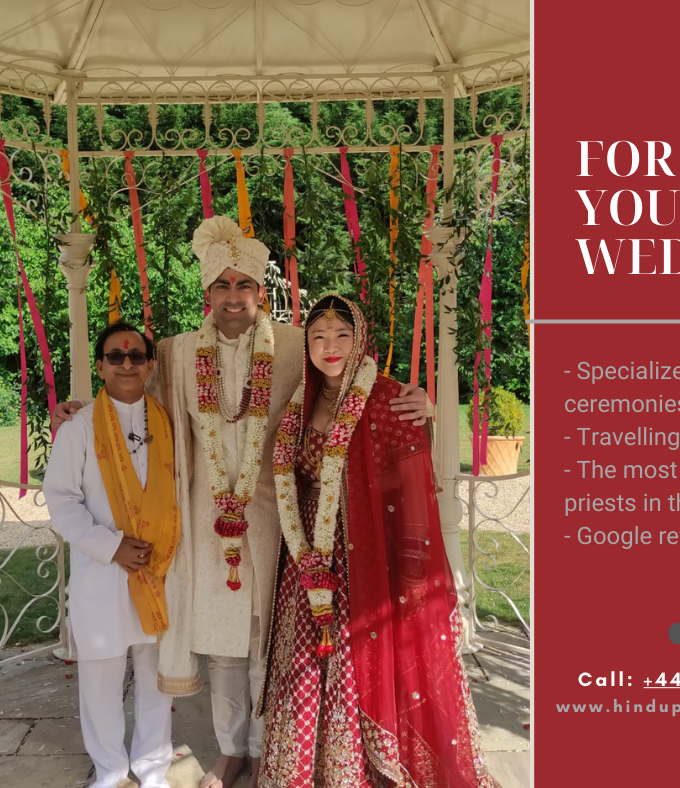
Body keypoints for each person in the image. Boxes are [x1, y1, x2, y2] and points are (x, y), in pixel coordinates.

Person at [52, 216, 429, 788]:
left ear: (260, 291)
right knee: (223, 645)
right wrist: (81, 407)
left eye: (244, 285)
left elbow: (347, 374)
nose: (233, 297)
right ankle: (231, 750)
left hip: (277, 518)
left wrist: (416, 398)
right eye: (222, 286)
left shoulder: (295, 345)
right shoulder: (176, 353)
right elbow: (130, 393)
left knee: (268, 640)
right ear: (208, 293)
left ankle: (269, 746)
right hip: (204, 520)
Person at [259, 294, 498, 788]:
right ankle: (306, 768)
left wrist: (411, 564)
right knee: (307, 657)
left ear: (361, 339)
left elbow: (412, 482)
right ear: (306, 345)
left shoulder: (388, 398)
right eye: (318, 336)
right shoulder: (300, 400)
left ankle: (362, 767)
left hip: (367, 552)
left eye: (342, 335)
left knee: (355, 653)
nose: (330, 346)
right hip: (310, 552)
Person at [44, 322, 181, 788]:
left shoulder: (167, 422)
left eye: (136, 356)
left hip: (159, 570)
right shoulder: (79, 427)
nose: (126, 364)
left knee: (156, 675)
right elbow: (62, 501)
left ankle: (152, 767)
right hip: (102, 574)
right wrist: (112, 546)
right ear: (100, 366)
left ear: (150, 365)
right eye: (116, 356)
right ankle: (109, 769)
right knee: (101, 677)